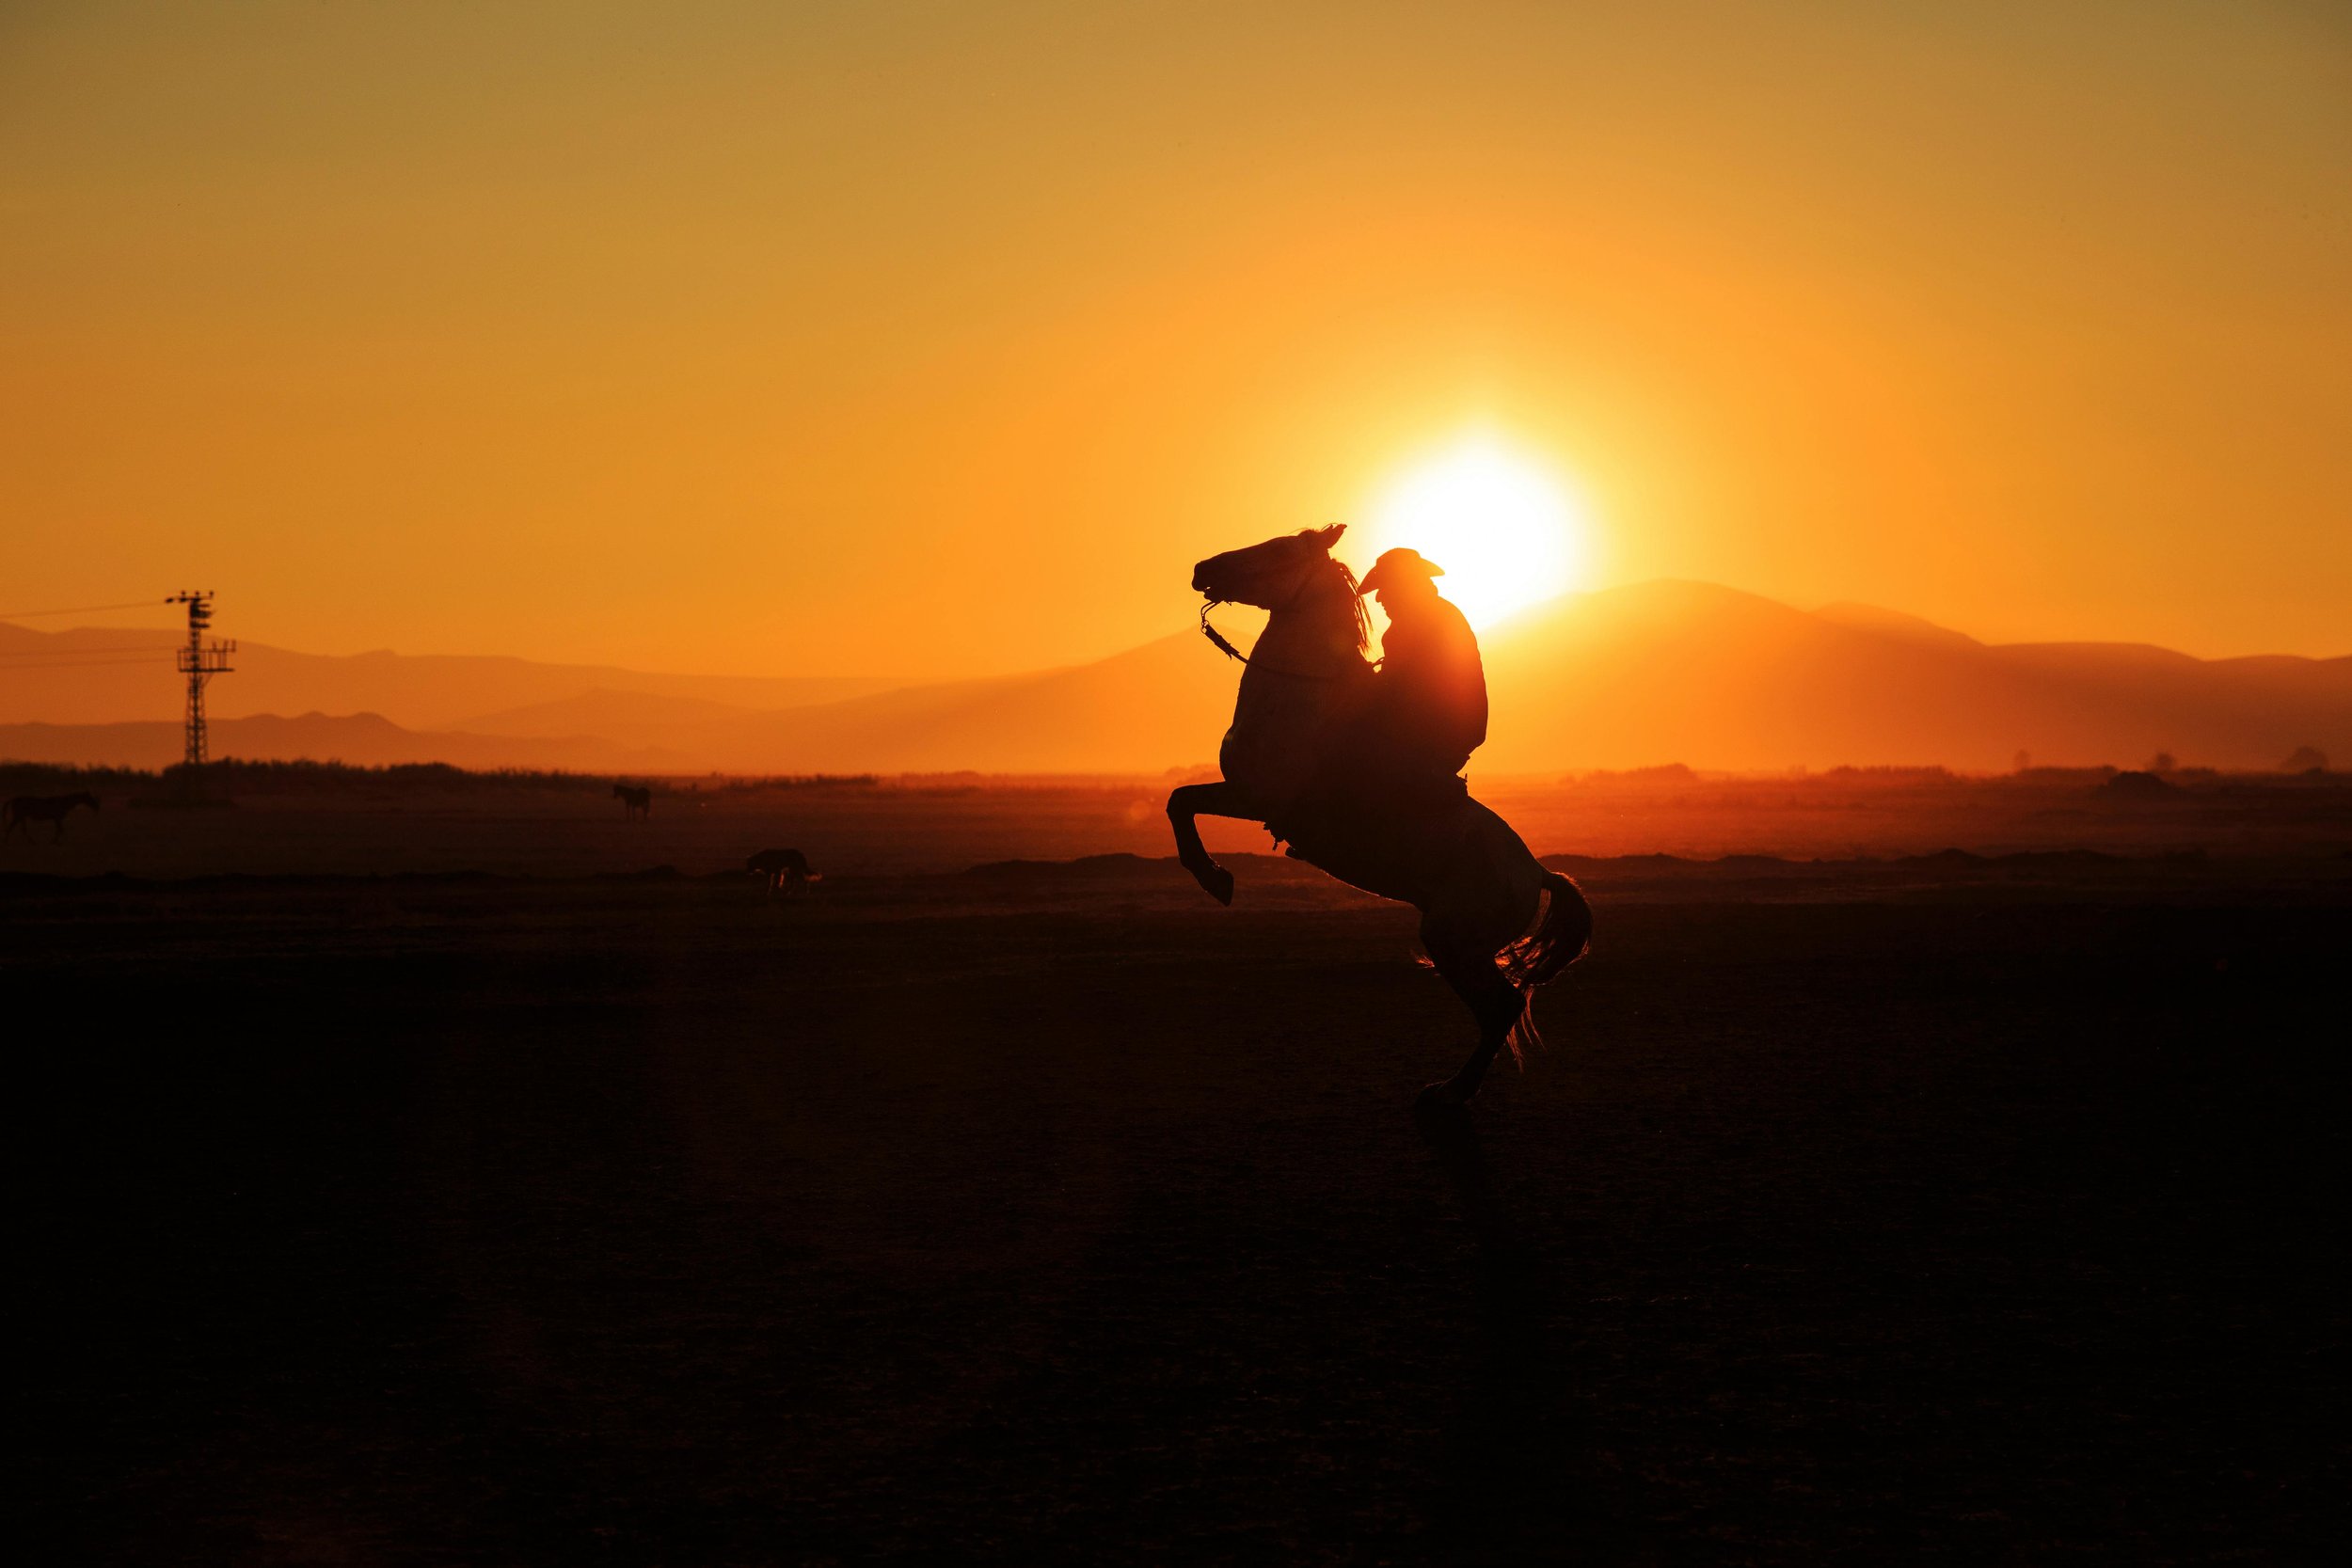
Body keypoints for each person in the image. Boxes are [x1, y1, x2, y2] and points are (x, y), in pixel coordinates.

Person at [1355, 546, 1487, 784]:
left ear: (1404, 586)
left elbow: (1395, 691)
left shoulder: (1415, 624)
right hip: (1448, 733)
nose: (1379, 598)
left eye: (1385, 588)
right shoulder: (1439, 613)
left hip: (1430, 737)